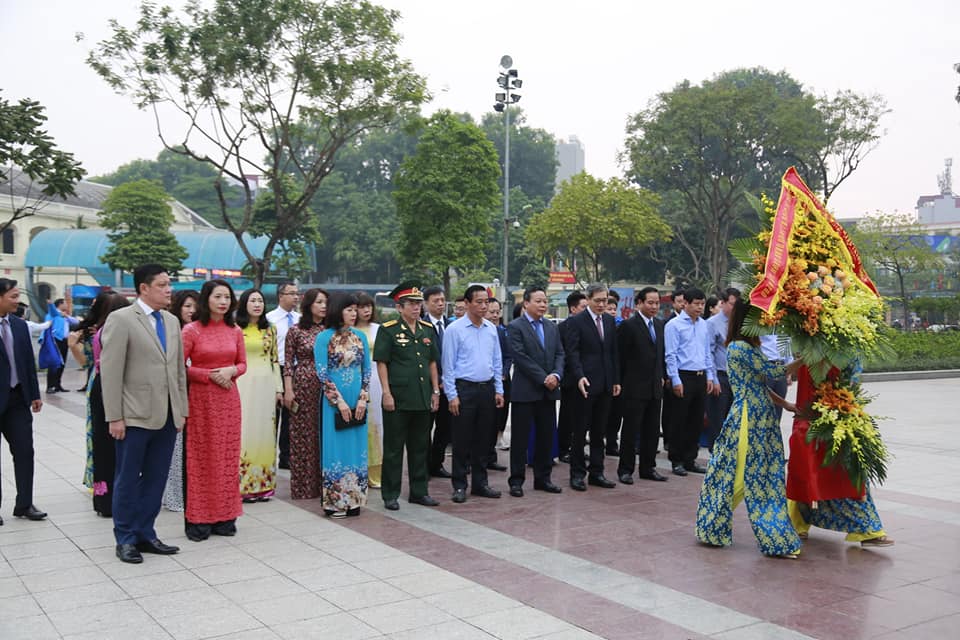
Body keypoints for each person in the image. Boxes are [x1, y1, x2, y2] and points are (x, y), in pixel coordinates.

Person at [695, 299, 804, 558]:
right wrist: (803, 359)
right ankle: (773, 538)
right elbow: (773, 372)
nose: (765, 323)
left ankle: (712, 526)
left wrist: (785, 404)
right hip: (748, 419)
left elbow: (760, 386)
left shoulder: (748, 347)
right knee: (753, 477)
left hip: (761, 417)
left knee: (749, 475)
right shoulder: (739, 348)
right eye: (760, 319)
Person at [101, 264, 188, 563]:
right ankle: (124, 538)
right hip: (134, 416)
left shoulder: (172, 321)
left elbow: (177, 371)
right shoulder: (122, 319)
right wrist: (115, 416)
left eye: (169, 284)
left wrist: (182, 411)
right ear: (143, 288)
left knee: (156, 477)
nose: (169, 290)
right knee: (127, 477)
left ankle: (146, 533)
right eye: (162, 285)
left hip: (167, 415)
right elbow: (110, 373)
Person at [786, 362, 894, 547]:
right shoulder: (811, 348)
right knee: (807, 470)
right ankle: (796, 522)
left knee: (847, 470)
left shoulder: (847, 348)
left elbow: (852, 382)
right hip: (815, 416)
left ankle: (866, 529)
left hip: (840, 413)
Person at [182, 279, 247, 541]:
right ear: (206, 299)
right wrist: (207, 375)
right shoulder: (192, 330)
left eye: (227, 297)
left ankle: (225, 517)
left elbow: (242, 363)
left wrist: (232, 371)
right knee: (201, 457)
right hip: (201, 400)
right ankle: (198, 520)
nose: (223, 302)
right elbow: (179, 367)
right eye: (218, 296)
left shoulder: (235, 331)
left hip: (229, 399)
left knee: (227, 457)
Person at [373, 282, 441, 511]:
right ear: (399, 307)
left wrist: (435, 391)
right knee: (393, 448)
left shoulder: (426, 329)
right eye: (411, 304)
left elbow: (432, 362)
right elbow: (382, 362)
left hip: (422, 396)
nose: (416, 308)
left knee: (420, 447)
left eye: (418, 304)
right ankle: (390, 494)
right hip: (398, 396)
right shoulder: (389, 329)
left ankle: (419, 491)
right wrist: (386, 393)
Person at [443, 285, 504, 503]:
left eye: (486, 302)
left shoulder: (491, 329)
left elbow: (497, 361)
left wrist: (499, 389)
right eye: (478, 301)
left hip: (486, 389)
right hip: (464, 389)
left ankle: (481, 483)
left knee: (483, 439)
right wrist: (452, 395)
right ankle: (460, 485)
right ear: (467, 303)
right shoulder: (455, 329)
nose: (483, 305)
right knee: (461, 440)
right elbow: (448, 365)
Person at [314, 293, 370, 517]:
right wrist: (339, 402)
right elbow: (322, 373)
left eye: (355, 309)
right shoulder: (324, 338)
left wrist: (363, 397)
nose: (354, 314)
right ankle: (335, 502)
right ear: (338, 311)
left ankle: (355, 499)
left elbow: (367, 369)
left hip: (358, 400)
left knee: (357, 449)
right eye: (349, 310)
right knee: (336, 449)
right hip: (334, 402)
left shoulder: (360, 337)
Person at [506, 286, 564, 496]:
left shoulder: (551, 327)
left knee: (546, 437)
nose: (542, 305)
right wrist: (543, 378)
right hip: (525, 391)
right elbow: (520, 357)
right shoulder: (515, 327)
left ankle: (543, 478)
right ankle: (516, 480)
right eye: (538, 301)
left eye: (545, 301)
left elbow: (560, 353)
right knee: (520, 438)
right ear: (526, 303)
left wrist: (556, 375)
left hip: (548, 392)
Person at [563, 283, 620, 491]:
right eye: (598, 301)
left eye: (605, 300)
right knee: (580, 431)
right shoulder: (577, 322)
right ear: (588, 299)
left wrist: (615, 380)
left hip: (605, 384)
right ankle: (577, 474)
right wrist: (579, 376)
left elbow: (613, 353)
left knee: (599, 431)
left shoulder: (609, 321)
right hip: (585, 384)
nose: (602, 304)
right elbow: (573, 352)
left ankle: (597, 472)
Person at [0, 278, 45, 526]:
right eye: (13, 297)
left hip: (17, 399)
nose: (18, 302)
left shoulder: (19, 325)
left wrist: (34, 394)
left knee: (25, 451)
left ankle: (25, 503)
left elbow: (28, 361)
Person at [81, 292, 131, 517]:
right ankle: (109, 499)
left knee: (102, 445)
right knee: (112, 446)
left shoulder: (100, 331)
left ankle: (103, 497)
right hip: (111, 388)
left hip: (100, 388)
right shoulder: (112, 332)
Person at [616, 287, 668, 484]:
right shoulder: (628, 326)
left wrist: (662, 376)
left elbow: (660, 355)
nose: (654, 307)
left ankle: (648, 467)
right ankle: (625, 469)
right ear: (639, 303)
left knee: (652, 431)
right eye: (650, 303)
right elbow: (620, 358)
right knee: (630, 431)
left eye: (657, 303)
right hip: (633, 388)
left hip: (655, 387)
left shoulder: (660, 325)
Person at [236, 288, 282, 503]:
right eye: (253, 300)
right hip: (243, 383)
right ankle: (244, 485)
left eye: (260, 301)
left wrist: (279, 388)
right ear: (244, 303)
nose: (257, 304)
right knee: (246, 430)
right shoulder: (235, 328)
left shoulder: (269, 330)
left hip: (266, 384)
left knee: (265, 432)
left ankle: (263, 485)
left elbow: (274, 359)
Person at [664, 287, 716, 476]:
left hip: (700, 376)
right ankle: (676, 459)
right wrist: (675, 379)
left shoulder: (703, 325)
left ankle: (690, 458)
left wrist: (710, 376)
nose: (700, 307)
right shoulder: (674, 325)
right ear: (685, 303)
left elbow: (707, 352)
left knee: (696, 420)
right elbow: (670, 355)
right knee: (679, 419)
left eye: (702, 304)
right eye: (696, 304)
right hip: (683, 375)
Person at [283, 288, 328, 499]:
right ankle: (303, 486)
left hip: (328, 384)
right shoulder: (296, 330)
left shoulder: (331, 330)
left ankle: (325, 483)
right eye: (319, 302)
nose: (323, 306)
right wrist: (288, 389)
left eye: (326, 302)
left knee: (324, 432)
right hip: (303, 384)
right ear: (309, 304)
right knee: (303, 435)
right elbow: (288, 363)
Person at [162, 289, 198, 513]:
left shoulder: (201, 331)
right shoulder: (171, 331)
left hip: (199, 398)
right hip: (177, 398)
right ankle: (174, 496)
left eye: (195, 306)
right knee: (175, 450)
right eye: (187, 306)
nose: (192, 311)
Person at [266, 282, 301, 470]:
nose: (296, 297)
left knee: (292, 414)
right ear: (281, 295)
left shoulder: (300, 319)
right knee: (273, 414)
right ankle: (267, 454)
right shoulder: (269, 319)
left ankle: (287, 456)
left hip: (296, 370)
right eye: (291, 293)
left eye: (297, 293)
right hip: (276, 368)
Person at [704, 288, 740, 452]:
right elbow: (709, 352)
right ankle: (716, 454)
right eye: (733, 304)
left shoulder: (741, 323)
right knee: (717, 419)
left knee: (734, 419)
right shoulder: (712, 323)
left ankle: (730, 455)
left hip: (738, 378)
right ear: (723, 303)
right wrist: (713, 379)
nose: (735, 308)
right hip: (721, 376)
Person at [422, 285, 452, 479]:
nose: (440, 304)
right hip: (428, 387)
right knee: (425, 428)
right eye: (435, 301)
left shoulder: (452, 325)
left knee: (445, 427)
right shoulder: (420, 326)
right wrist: (436, 381)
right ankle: (424, 465)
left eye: (442, 300)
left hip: (449, 387)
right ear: (426, 304)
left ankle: (437, 463)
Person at [355, 293, 383, 488]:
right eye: (361, 307)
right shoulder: (348, 331)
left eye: (369, 306)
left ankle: (377, 472)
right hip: (354, 379)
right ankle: (359, 470)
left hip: (377, 380)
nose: (366, 310)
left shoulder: (379, 329)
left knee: (378, 426)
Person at [557, 290, 587, 463]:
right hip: (570, 380)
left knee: (583, 419)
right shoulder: (562, 328)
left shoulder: (589, 326)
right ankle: (563, 449)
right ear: (573, 309)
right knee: (568, 417)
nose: (586, 309)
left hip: (587, 378)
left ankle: (578, 448)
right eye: (583, 307)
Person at [485, 297, 510, 472]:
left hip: (502, 381)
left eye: (497, 312)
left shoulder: (501, 331)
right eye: (491, 312)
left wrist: (503, 372)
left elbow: (508, 356)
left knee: (497, 420)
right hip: (484, 383)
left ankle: (491, 457)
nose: (495, 316)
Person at [44, 298, 76, 393]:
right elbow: (53, 310)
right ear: (60, 304)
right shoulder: (53, 313)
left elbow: (75, 322)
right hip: (55, 340)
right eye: (65, 303)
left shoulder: (64, 316)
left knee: (62, 363)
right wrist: (50, 304)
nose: (67, 305)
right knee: (54, 363)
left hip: (64, 341)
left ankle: (57, 385)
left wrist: (66, 316)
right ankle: (50, 386)